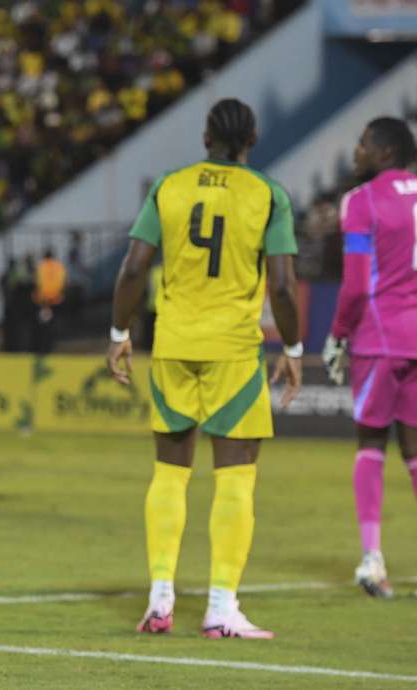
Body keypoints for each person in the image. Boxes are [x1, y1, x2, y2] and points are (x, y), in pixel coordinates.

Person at [107, 98, 303, 639]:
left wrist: (120, 334)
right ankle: (220, 608)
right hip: (235, 350)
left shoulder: (170, 186)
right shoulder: (268, 194)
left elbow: (133, 268)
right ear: (251, 141)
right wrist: (294, 348)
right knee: (236, 476)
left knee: (170, 472)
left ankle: (160, 599)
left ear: (206, 138)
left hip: (173, 342)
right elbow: (284, 286)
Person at [323, 117, 417, 600]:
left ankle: (371, 559)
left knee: (370, 443)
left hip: (379, 337)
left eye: (363, 144)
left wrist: (337, 335)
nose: (357, 151)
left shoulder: (361, 202)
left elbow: (353, 283)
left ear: (384, 152)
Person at [33, 248, 66, 354]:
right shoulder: (59, 266)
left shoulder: (41, 266)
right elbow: (63, 281)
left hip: (43, 300)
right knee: (54, 323)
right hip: (56, 299)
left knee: (42, 325)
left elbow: (38, 281)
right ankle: (53, 345)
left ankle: (42, 347)